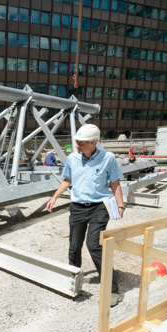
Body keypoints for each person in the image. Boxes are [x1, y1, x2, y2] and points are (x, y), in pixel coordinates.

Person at [45, 124, 126, 307]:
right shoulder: (73, 159)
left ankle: (112, 290)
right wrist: (54, 198)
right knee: (74, 247)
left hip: (100, 207)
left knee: (94, 245)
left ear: (92, 142)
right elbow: (67, 180)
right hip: (77, 207)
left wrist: (120, 204)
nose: (77, 146)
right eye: (76, 142)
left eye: (80, 143)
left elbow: (115, 182)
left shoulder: (108, 158)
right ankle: (74, 283)